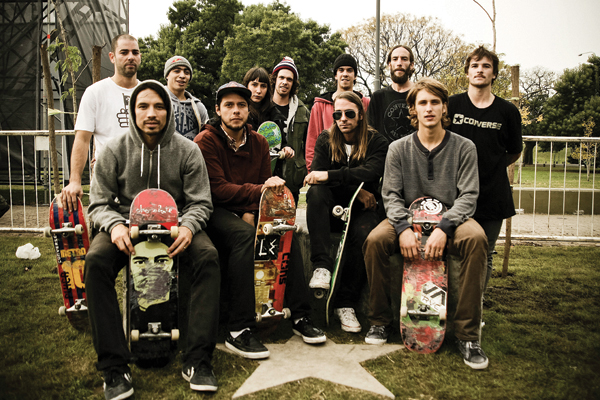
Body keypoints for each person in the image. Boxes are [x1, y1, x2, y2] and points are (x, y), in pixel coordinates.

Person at [85, 80, 220, 398]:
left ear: (169, 111)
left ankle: (198, 359)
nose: (151, 113)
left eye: (159, 106)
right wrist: (114, 226)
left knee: (208, 257)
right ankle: (114, 366)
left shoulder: (188, 150)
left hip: (177, 228)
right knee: (96, 262)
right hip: (126, 228)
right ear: (133, 111)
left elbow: (201, 202)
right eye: (143, 106)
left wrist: (188, 227)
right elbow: (99, 203)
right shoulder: (113, 149)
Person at [362, 78, 489, 370]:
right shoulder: (398, 149)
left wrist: (444, 228)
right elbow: (390, 194)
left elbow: (469, 195)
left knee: (477, 239)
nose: (429, 108)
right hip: (407, 217)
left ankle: (468, 336)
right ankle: (380, 321)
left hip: (451, 218)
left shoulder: (464, 147)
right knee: (375, 241)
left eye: (435, 102)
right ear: (413, 109)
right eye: (422, 103)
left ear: (444, 108)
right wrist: (403, 228)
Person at [194, 82, 325, 360]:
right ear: (217, 110)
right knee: (244, 235)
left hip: (249, 209)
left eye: (241, 105)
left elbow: (264, 185)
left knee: (283, 232)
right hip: (215, 211)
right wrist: (256, 196)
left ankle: (301, 316)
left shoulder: (260, 142)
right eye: (229, 105)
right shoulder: (205, 141)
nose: (236, 111)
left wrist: (252, 210)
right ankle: (238, 328)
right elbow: (218, 188)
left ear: (248, 109)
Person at [305, 91, 388, 333]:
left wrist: (331, 176)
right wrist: (356, 189)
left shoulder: (376, 141)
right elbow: (317, 177)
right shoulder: (325, 139)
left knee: (364, 234)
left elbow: (371, 172)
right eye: (337, 114)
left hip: (363, 210)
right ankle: (321, 266)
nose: (343, 119)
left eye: (349, 114)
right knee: (315, 194)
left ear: (361, 115)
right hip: (332, 208)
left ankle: (345, 303)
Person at [448, 46, 522, 290]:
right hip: (454, 193)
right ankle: (452, 302)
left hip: (492, 193)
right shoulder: (452, 105)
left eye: (486, 66)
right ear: (467, 72)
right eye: (475, 66)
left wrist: (491, 166)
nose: (480, 70)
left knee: (485, 253)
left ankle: (475, 303)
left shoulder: (508, 111)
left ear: (494, 74)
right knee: (452, 250)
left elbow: (515, 150)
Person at [61, 33, 141, 212]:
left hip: (143, 179)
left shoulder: (148, 92)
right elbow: (82, 139)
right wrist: (74, 181)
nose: (130, 57)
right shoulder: (95, 92)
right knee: (105, 226)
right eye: (124, 52)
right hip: (107, 180)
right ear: (112, 57)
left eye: (135, 52)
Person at [305, 54, 370, 171]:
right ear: (336, 75)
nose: (345, 74)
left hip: (358, 168)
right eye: (341, 70)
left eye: (349, 70)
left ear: (355, 75)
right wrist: (312, 171)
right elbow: (311, 142)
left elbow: (371, 135)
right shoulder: (319, 106)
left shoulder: (366, 103)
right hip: (327, 168)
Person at [270, 57, 310, 203]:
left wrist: (305, 168)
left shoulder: (303, 111)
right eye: (281, 77)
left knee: (288, 216)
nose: (285, 82)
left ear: (293, 83)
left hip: (292, 177)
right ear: (274, 79)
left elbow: (309, 144)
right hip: (266, 175)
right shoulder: (263, 107)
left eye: (289, 79)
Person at [367, 45, 416, 144]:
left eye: (404, 59)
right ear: (389, 64)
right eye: (395, 59)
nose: (399, 63)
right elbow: (369, 133)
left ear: (411, 65)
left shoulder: (421, 95)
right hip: (385, 153)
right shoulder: (378, 97)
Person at [163, 55, 209, 140]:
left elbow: (206, 137)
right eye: (177, 71)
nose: (182, 76)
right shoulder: (158, 101)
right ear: (167, 75)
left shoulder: (198, 106)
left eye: (187, 72)